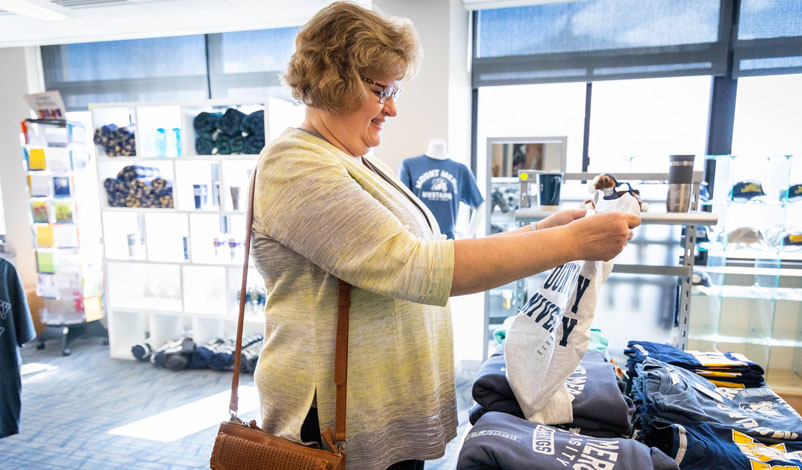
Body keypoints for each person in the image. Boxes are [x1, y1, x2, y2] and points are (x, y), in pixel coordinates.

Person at [251, 2, 640, 470]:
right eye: (381, 90)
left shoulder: (356, 161)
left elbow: (429, 250)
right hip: (335, 422)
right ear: (334, 82)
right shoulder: (295, 164)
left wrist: (542, 230)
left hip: (374, 406)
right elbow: (411, 266)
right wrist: (572, 243)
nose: (392, 107)